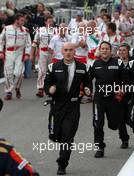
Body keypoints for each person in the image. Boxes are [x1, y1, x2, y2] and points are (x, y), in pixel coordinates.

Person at [44, 42, 90, 175]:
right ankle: (61, 140)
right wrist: (49, 89)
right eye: (66, 50)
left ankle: (62, 164)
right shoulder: (53, 66)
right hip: (57, 106)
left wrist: (88, 89)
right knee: (55, 135)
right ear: (62, 52)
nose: (69, 52)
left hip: (73, 106)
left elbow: (87, 81)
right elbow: (47, 83)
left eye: (71, 50)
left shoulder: (82, 67)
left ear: (75, 52)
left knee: (67, 136)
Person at [87, 41, 127, 158]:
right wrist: (88, 89)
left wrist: (122, 89)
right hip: (99, 98)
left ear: (111, 51)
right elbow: (88, 79)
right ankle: (100, 147)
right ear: (100, 50)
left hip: (114, 99)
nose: (104, 51)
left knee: (114, 124)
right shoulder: (95, 64)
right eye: (102, 49)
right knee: (98, 123)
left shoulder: (118, 63)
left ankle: (124, 138)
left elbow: (126, 80)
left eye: (107, 49)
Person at [0, 13, 32, 100]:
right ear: (16, 20)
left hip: (20, 53)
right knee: (8, 73)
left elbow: (28, 43)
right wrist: (1, 52)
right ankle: (8, 92)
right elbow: (1, 40)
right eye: (21, 20)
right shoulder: (7, 28)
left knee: (18, 73)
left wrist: (27, 54)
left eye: (24, 20)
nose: (23, 22)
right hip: (8, 53)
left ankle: (17, 87)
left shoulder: (25, 30)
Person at [31, 15, 54, 97]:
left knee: (51, 71)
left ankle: (50, 89)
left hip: (52, 54)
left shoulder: (56, 31)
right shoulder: (40, 30)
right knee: (42, 70)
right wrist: (32, 55)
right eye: (49, 21)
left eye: (52, 21)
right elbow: (35, 42)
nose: (51, 23)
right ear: (45, 22)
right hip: (42, 53)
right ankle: (40, 88)